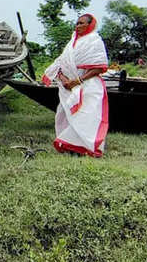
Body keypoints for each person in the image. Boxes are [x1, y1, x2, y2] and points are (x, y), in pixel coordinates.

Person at [42, 14, 109, 157]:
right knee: (64, 115)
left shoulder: (94, 41)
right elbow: (61, 63)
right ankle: (69, 147)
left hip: (88, 85)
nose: (77, 26)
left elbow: (99, 67)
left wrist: (78, 81)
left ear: (90, 25)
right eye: (77, 23)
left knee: (86, 117)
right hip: (68, 87)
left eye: (81, 23)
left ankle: (84, 148)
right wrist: (64, 78)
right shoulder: (72, 42)